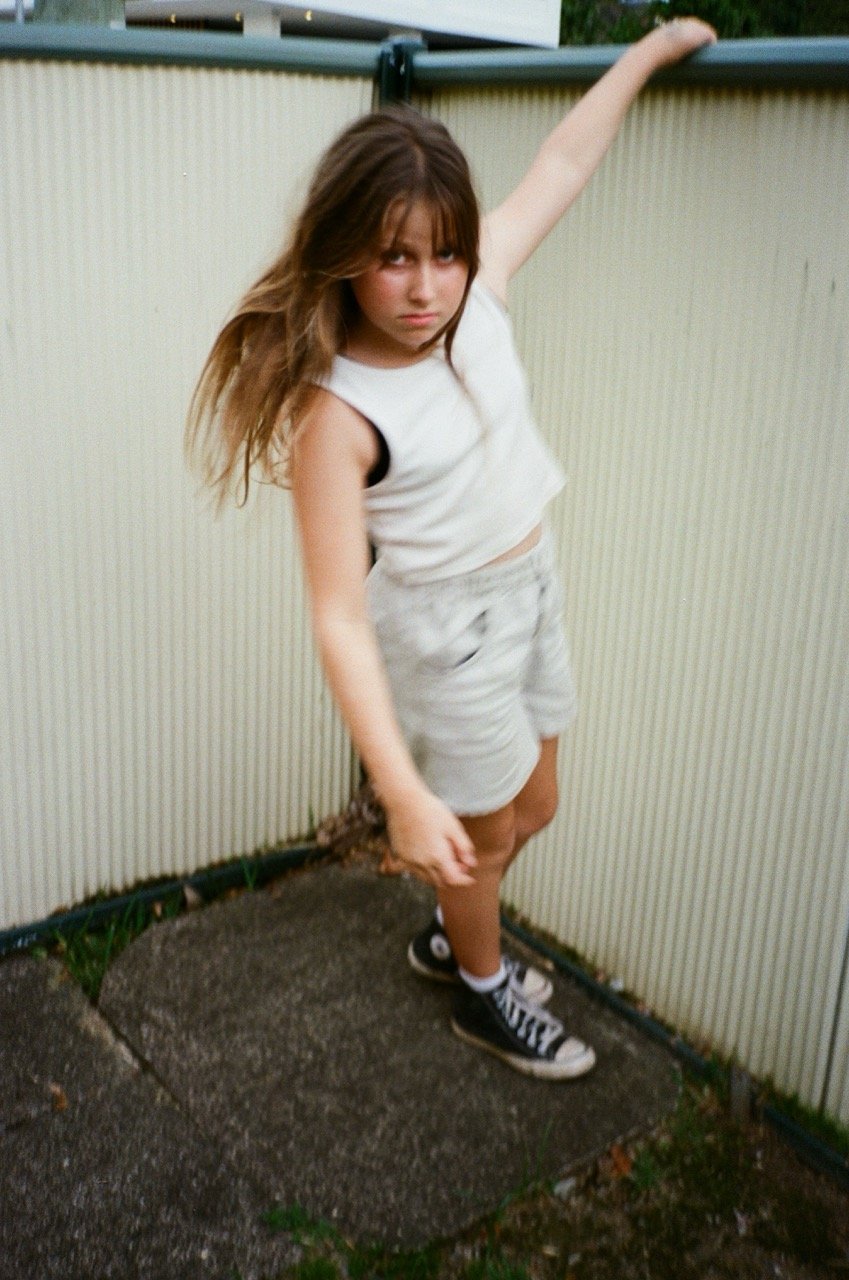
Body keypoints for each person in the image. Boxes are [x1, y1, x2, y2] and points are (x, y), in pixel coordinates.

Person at [187, 17, 717, 1080]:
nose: (427, 286)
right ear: (346, 251)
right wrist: (400, 789)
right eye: (394, 258)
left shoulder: (477, 293)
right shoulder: (337, 413)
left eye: (445, 252)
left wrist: (653, 50)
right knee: (483, 838)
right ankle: (482, 988)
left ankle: (451, 930)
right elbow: (339, 616)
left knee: (533, 807)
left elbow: (563, 161)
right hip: (447, 628)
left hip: (530, 584)